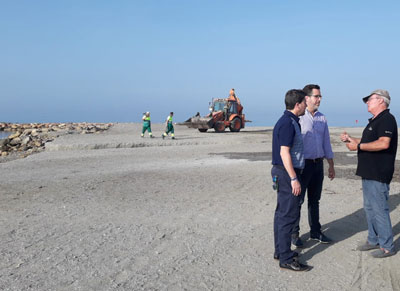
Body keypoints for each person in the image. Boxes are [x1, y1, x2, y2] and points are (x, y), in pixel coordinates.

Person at [341, 89, 397, 258]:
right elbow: (367, 143)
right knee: (369, 208)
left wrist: (357, 146)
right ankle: (373, 240)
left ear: (381, 101)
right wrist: (352, 140)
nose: (367, 102)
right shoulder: (375, 120)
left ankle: (388, 246)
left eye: (370, 99)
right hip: (368, 172)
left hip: (379, 173)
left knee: (379, 209)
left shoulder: (387, 119)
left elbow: (383, 143)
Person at [271, 89, 311, 271]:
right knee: (288, 215)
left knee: (282, 213)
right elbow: (284, 152)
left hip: (284, 172)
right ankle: (286, 258)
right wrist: (294, 178)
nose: (306, 105)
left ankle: (281, 251)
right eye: (305, 102)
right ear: (297, 104)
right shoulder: (288, 123)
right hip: (287, 173)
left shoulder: (290, 121)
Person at [291, 84, 335, 247]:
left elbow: (326, 143)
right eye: (316, 96)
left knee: (314, 200)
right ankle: (294, 233)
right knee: (298, 200)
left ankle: (316, 231)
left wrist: (330, 164)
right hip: (303, 165)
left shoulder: (322, 118)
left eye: (320, 96)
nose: (319, 99)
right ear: (306, 98)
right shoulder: (299, 118)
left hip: (318, 165)